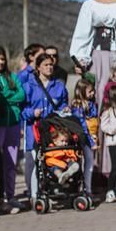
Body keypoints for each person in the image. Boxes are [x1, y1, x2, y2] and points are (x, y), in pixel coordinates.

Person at [0, 46, 26, 213]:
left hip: (13, 124)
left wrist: (6, 95)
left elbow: (21, 95)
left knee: (11, 162)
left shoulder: (12, 76)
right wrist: (9, 96)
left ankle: (11, 196)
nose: (0, 62)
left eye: (2, 59)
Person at [22, 53, 68, 200]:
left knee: (52, 160)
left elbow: (63, 104)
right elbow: (22, 110)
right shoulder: (29, 86)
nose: (49, 67)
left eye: (51, 65)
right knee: (37, 164)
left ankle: (51, 190)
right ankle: (35, 195)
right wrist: (32, 113)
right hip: (34, 130)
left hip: (53, 132)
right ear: (38, 67)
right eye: (45, 65)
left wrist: (65, 109)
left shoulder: (59, 86)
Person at [69, 78, 98, 195]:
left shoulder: (90, 104)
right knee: (85, 164)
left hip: (91, 137)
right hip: (83, 139)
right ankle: (83, 189)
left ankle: (87, 189)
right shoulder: (78, 107)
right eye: (90, 91)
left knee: (89, 164)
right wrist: (90, 141)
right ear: (81, 92)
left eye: (93, 91)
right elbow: (82, 126)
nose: (92, 93)